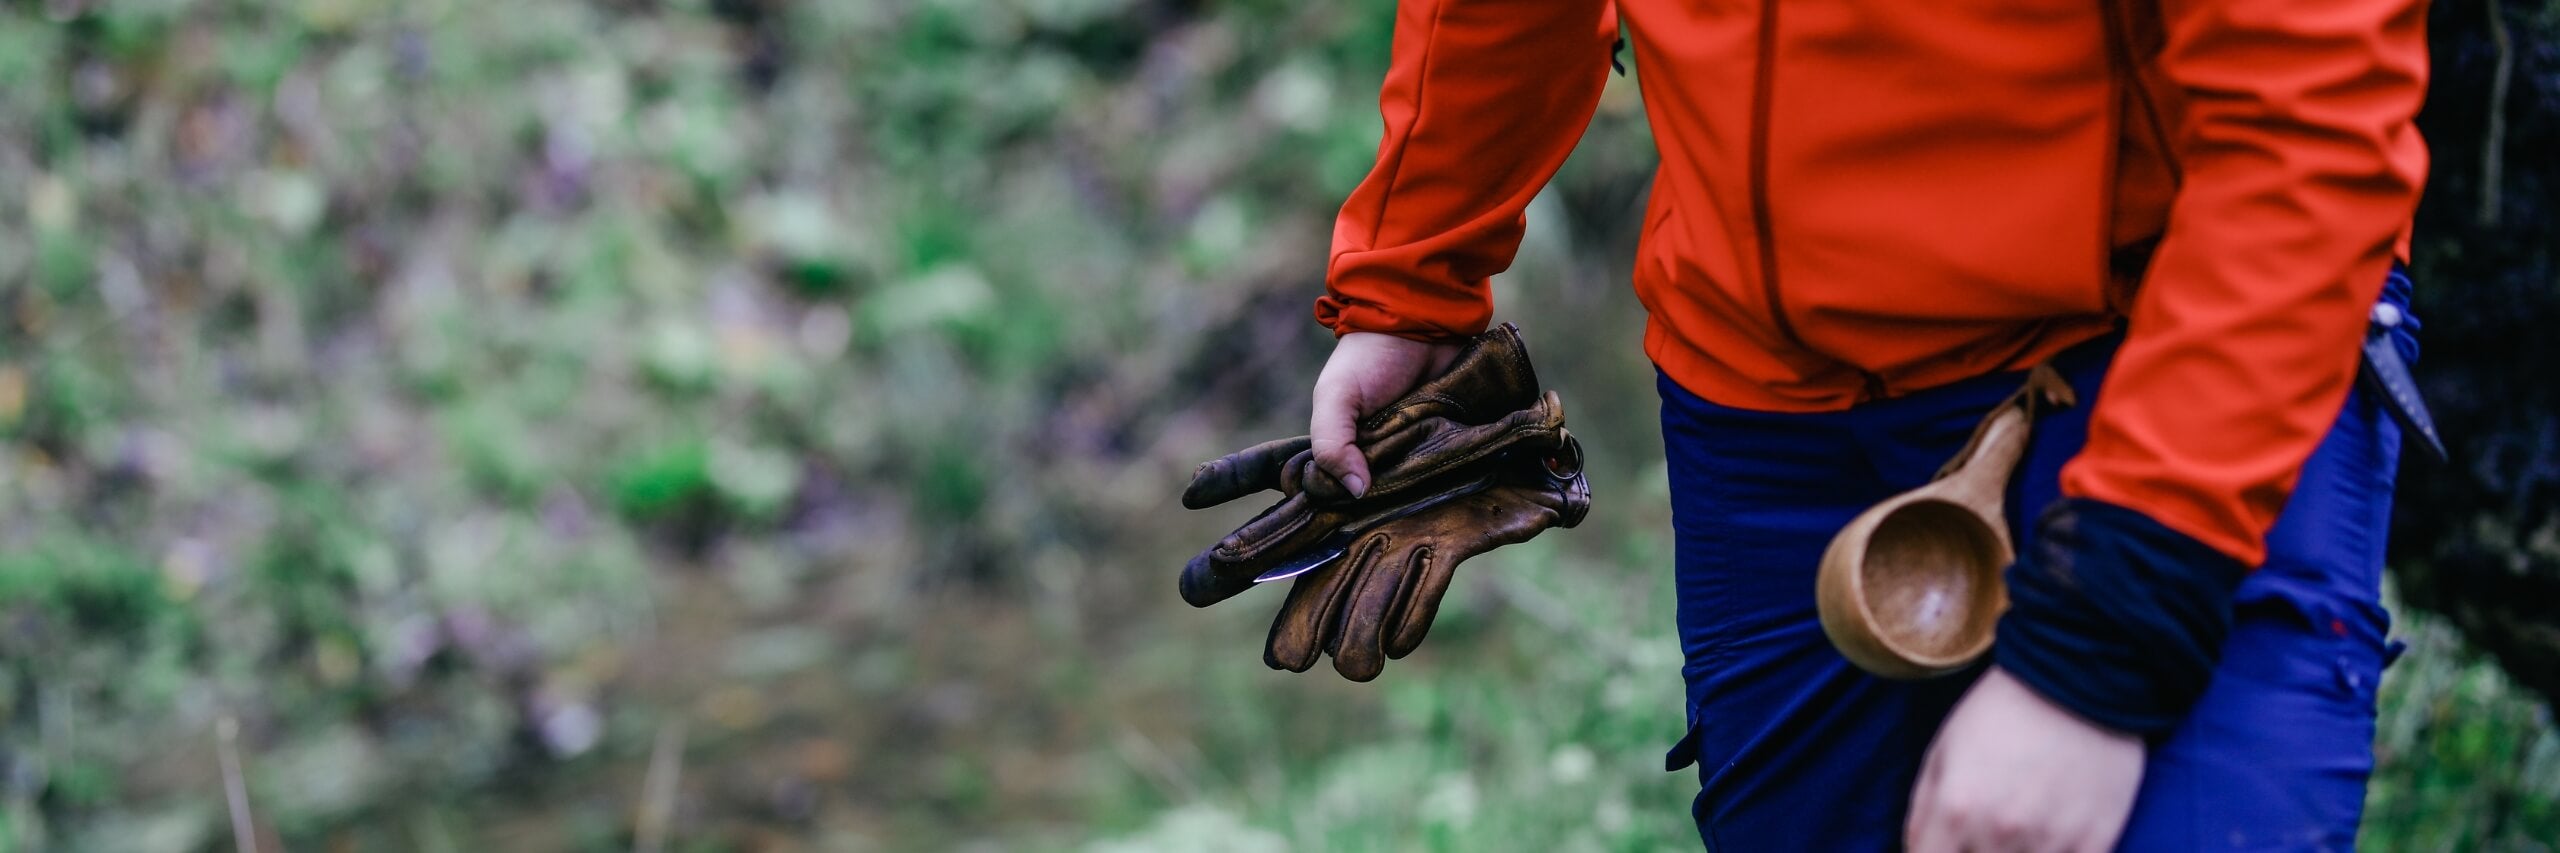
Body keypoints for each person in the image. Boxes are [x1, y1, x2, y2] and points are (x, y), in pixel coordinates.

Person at [1296, 0, 2429, 849]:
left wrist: (2095, 660)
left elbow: (2311, 124)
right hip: (1764, 417)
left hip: (2149, 371)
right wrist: (1417, 272)